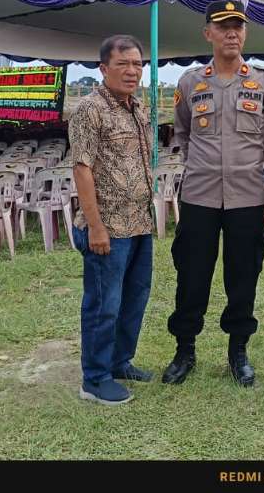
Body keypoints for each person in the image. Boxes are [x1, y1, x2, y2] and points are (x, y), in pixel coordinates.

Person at [162, 0, 264, 387]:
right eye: (223, 26)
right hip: (199, 197)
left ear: (245, 33)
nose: (232, 33)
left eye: (238, 26)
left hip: (248, 199)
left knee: (243, 276)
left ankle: (238, 351)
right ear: (208, 34)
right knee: (191, 275)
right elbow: (181, 133)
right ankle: (185, 349)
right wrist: (201, 163)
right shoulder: (190, 83)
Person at [68, 34, 155, 406]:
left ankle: (120, 361)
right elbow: (82, 168)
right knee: (103, 304)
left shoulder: (138, 107)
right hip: (108, 229)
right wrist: (96, 226)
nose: (133, 71)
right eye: (124, 64)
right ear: (104, 69)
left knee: (134, 299)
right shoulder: (90, 109)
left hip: (140, 223)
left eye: (138, 64)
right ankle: (95, 378)